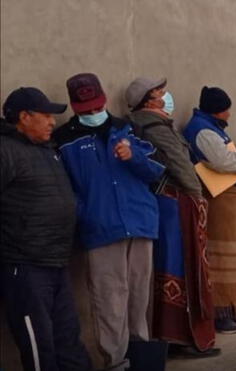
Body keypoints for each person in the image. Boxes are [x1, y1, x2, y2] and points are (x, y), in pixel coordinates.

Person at [53, 73, 165, 371]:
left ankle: (141, 357)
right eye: (85, 109)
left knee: (139, 295)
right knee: (108, 298)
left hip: (139, 222)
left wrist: (133, 157)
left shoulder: (129, 128)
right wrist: (86, 213)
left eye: (96, 106)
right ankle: (116, 362)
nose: (92, 113)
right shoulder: (64, 140)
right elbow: (63, 188)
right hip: (101, 230)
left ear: (103, 99)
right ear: (75, 106)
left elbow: (156, 171)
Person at [125, 77, 218, 357]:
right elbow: (179, 164)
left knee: (177, 265)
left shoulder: (154, 125)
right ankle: (178, 337)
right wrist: (197, 196)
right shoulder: (153, 127)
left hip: (172, 202)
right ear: (148, 101)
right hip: (174, 203)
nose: (165, 96)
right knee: (178, 266)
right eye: (159, 93)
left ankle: (178, 336)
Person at [1, 87, 92, 371]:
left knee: (69, 340)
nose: (53, 122)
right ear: (24, 117)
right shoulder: (6, 150)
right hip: (26, 266)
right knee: (40, 346)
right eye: (46, 115)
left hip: (56, 262)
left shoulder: (46, 150)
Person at [183, 86, 236, 335]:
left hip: (231, 199)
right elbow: (221, 161)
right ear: (217, 110)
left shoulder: (210, 128)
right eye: (226, 109)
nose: (229, 114)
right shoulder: (202, 130)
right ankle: (222, 310)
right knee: (222, 258)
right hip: (221, 203)